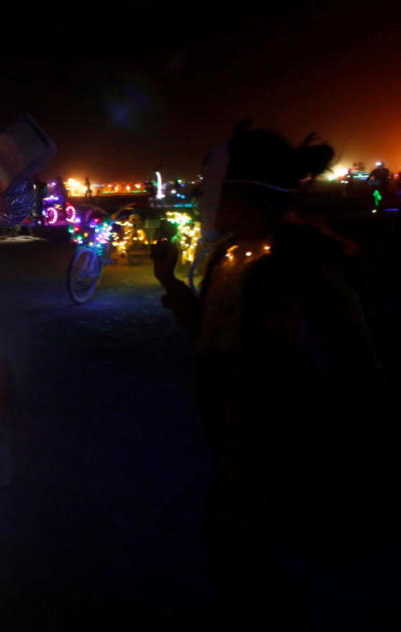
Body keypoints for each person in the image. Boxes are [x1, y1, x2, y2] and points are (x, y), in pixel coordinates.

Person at [151, 121, 391, 628]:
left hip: (279, 462)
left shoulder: (298, 268)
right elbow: (215, 340)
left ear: (246, 193)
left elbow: (319, 378)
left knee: (258, 574)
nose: (205, 199)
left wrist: (260, 462)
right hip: (240, 454)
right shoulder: (234, 256)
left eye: (215, 188)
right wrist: (171, 283)